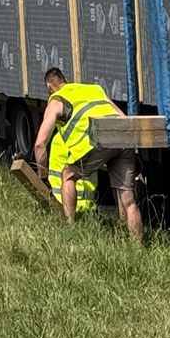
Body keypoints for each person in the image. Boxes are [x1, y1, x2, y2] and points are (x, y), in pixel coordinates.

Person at [33, 65, 143, 241]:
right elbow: (121, 116)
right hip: (121, 137)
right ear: (65, 80)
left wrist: (42, 175)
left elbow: (40, 144)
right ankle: (137, 246)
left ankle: (70, 229)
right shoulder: (94, 89)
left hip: (97, 142)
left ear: (49, 87)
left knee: (67, 175)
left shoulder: (57, 100)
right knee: (129, 200)